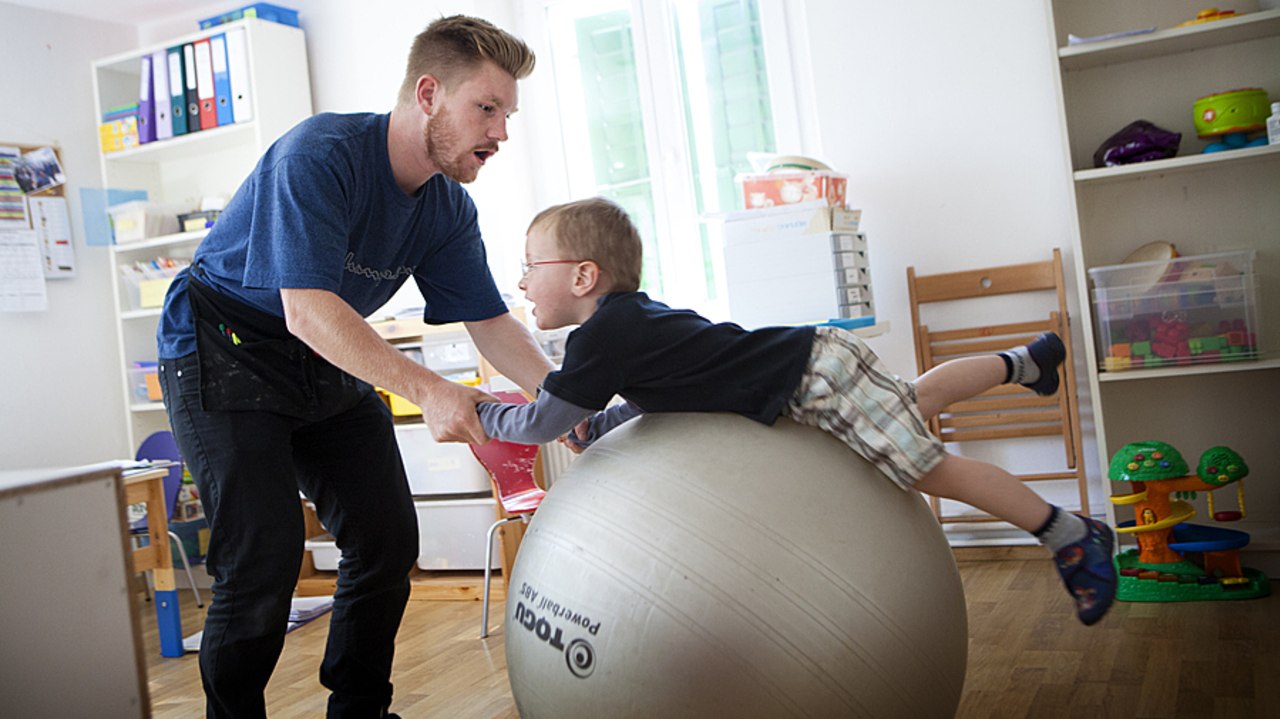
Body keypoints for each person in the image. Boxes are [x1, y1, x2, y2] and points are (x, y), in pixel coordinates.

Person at [156, 16, 554, 718]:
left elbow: (490, 323)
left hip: (317, 344)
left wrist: (562, 397)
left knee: (386, 536)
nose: (499, 133)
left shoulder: (447, 209)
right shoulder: (320, 155)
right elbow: (307, 308)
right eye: (486, 109)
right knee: (262, 556)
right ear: (428, 92)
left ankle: (360, 710)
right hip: (223, 339)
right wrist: (428, 390)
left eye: (506, 114)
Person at [476, 197, 1118, 626]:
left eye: (532, 266)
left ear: (584, 276)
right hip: (816, 365)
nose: (524, 281)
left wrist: (484, 416)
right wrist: (599, 424)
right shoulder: (625, 325)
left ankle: (1071, 534)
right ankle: (1028, 361)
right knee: (913, 399)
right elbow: (664, 399)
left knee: (929, 471)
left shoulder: (603, 336)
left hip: (815, 382)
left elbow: (542, 423)